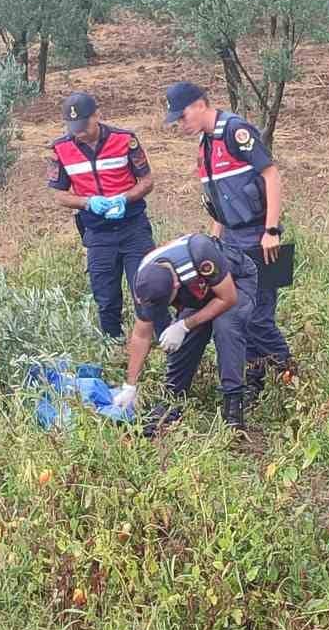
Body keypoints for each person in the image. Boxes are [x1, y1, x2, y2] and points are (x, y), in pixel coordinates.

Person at [162, 81, 291, 399]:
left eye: (182, 117)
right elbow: (220, 203)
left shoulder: (236, 131)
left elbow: (271, 175)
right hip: (231, 240)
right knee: (240, 316)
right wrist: (213, 243)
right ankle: (256, 380)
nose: (181, 124)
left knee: (260, 317)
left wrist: (271, 230)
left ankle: (289, 372)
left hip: (259, 236)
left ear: (200, 104)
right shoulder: (205, 146)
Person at [48, 92, 168, 340]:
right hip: (97, 233)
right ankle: (112, 348)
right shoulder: (60, 149)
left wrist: (125, 198)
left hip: (133, 228)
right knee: (106, 298)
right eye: (74, 127)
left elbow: (147, 181)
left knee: (147, 291)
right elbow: (58, 195)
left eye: (83, 125)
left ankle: (167, 344)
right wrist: (87, 202)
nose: (79, 132)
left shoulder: (125, 140)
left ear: (97, 116)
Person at [112, 232, 259, 431]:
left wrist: (184, 325)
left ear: (175, 285)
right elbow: (141, 334)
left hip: (235, 282)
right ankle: (172, 401)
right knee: (185, 339)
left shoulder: (200, 253)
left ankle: (233, 405)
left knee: (226, 326)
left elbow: (227, 299)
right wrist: (130, 385)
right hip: (197, 292)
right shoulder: (146, 282)